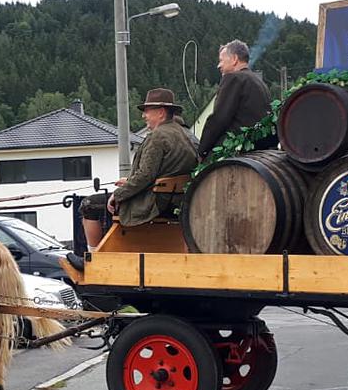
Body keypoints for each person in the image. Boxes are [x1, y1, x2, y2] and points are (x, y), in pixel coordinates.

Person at [76, 88, 199, 255]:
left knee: (89, 205)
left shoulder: (158, 137)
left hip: (155, 203)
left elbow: (145, 176)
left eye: (147, 111)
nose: (144, 116)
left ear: (161, 113)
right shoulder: (184, 134)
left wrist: (119, 194)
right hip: (175, 201)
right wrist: (130, 182)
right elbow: (162, 172)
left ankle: (93, 257)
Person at [198, 39, 276, 158]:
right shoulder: (259, 82)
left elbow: (219, 119)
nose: (219, 66)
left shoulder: (233, 79)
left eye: (221, 60)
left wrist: (202, 150)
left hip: (239, 149)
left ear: (234, 59)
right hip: (262, 147)